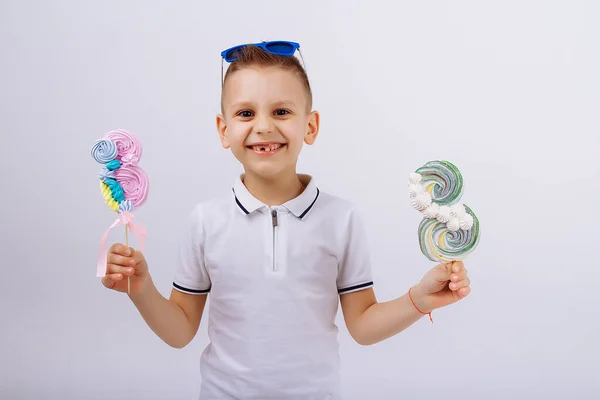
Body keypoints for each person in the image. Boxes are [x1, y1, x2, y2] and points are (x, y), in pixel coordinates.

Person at [101, 41, 472, 400]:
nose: (263, 126)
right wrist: (142, 288)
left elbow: (363, 325)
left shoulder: (342, 219)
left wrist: (418, 299)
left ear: (310, 127)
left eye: (281, 112)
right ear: (223, 129)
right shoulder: (205, 221)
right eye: (246, 113)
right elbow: (180, 330)